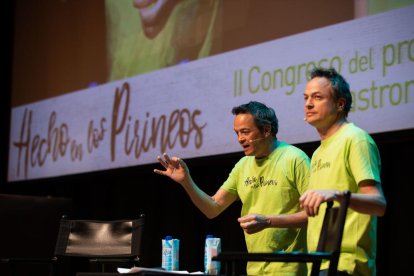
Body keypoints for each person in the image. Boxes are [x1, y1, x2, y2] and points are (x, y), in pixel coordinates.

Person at [154, 101, 310, 275]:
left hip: (291, 268)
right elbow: (212, 208)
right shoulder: (243, 165)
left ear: (266, 130)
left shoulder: (295, 158)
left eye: (245, 132)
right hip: (254, 269)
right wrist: (186, 181)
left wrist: (267, 221)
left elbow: (314, 215)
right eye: (237, 133)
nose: (240, 139)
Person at [300, 67, 387, 276]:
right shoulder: (318, 152)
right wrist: (269, 220)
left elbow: (379, 204)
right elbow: (313, 213)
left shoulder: (355, 139)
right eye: (306, 98)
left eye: (317, 97)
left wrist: (337, 195)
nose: (308, 104)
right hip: (319, 263)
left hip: (346, 265)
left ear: (340, 104)